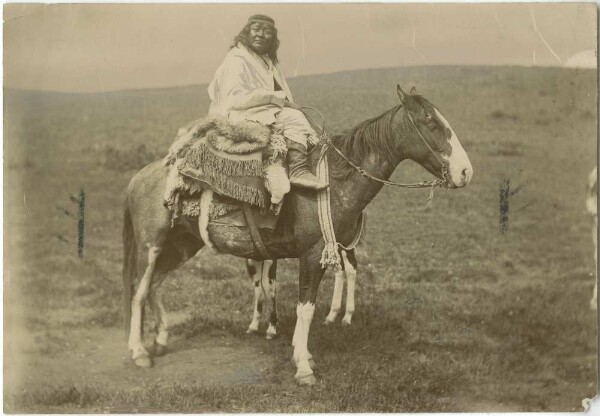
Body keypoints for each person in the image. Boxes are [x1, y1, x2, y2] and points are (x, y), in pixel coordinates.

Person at [207, 14, 327, 190]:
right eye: (256, 29)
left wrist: (284, 103)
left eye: (267, 31)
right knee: (293, 118)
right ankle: (298, 171)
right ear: (247, 32)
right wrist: (278, 100)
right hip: (238, 114)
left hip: (260, 111)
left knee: (306, 125)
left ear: (273, 38)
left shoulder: (268, 62)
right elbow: (234, 98)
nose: (260, 35)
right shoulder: (237, 59)